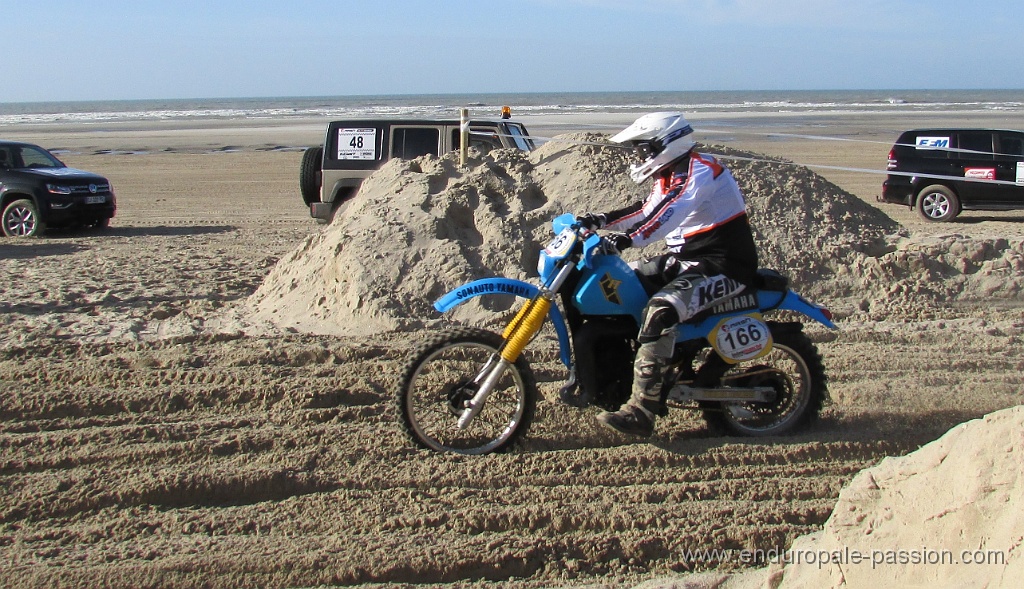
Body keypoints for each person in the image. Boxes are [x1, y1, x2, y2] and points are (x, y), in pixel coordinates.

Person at [576, 112, 760, 437]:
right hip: (686, 262)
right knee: (619, 285)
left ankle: (642, 409)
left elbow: (669, 212)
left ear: (667, 144)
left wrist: (628, 239)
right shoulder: (669, 175)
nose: (640, 156)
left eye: (644, 149)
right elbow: (646, 210)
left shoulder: (700, 170)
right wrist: (599, 220)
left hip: (723, 267)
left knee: (660, 310)